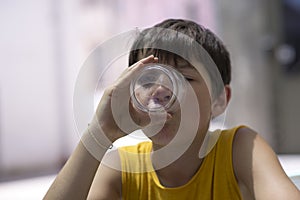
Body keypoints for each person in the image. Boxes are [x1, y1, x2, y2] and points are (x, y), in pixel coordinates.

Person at [44, 19, 300, 200]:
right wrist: (100, 133)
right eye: (146, 80)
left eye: (184, 79)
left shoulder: (239, 150)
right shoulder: (121, 168)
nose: (162, 91)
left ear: (219, 100)